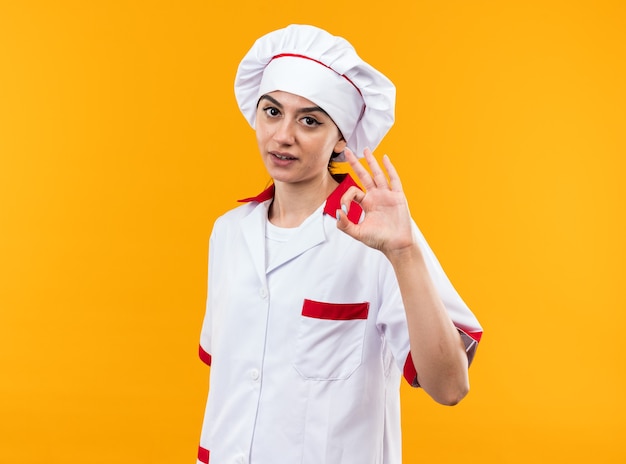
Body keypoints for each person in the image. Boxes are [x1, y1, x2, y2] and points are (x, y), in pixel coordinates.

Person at [196, 24, 482, 464]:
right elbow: (236, 378)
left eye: (309, 120)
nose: (283, 135)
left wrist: (404, 255)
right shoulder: (230, 232)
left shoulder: (381, 236)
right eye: (272, 112)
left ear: (342, 140)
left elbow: (449, 387)